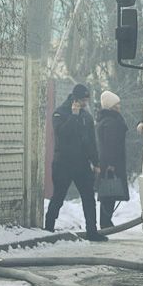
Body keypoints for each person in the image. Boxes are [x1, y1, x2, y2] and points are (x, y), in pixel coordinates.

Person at [44, 83, 108, 241]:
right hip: (63, 163)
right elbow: (61, 134)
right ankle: (48, 228)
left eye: (86, 100)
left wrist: (96, 161)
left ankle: (92, 231)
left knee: (88, 198)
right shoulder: (60, 113)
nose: (85, 103)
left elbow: (90, 142)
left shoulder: (86, 117)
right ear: (75, 99)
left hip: (82, 164)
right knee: (58, 196)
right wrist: (73, 115)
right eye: (83, 100)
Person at [94, 90, 130, 229]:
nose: (119, 107)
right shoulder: (111, 122)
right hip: (111, 163)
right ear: (111, 106)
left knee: (109, 192)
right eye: (117, 104)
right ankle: (105, 222)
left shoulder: (106, 120)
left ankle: (106, 221)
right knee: (109, 192)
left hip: (109, 162)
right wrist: (111, 164)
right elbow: (110, 145)